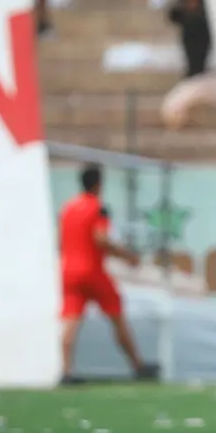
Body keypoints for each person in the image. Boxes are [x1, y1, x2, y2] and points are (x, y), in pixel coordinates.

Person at [58, 165, 158, 384]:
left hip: (68, 272)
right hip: (92, 272)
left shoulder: (68, 208)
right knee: (117, 317)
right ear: (99, 184)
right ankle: (138, 365)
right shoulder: (97, 208)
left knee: (70, 322)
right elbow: (101, 238)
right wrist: (127, 256)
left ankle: (66, 371)